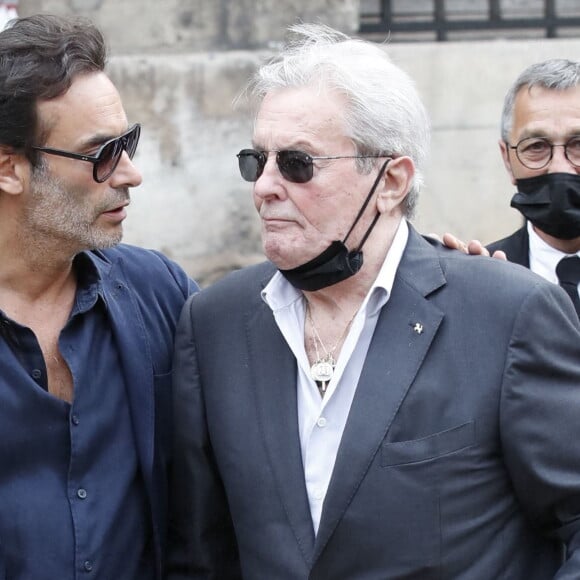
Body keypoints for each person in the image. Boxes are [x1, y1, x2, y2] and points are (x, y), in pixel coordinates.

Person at [167, 24, 580, 579]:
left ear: (391, 181)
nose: (264, 186)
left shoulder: (508, 313)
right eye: (256, 160)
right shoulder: (214, 322)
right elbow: (199, 552)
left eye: (297, 163)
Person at [0, 14, 197, 580]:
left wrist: (422, 271)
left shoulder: (158, 290)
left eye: (126, 144)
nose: (130, 174)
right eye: (100, 153)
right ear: (10, 168)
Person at [485, 59, 580, 316]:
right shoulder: (477, 281)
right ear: (507, 159)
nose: (560, 168)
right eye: (536, 147)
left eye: (578, 145)